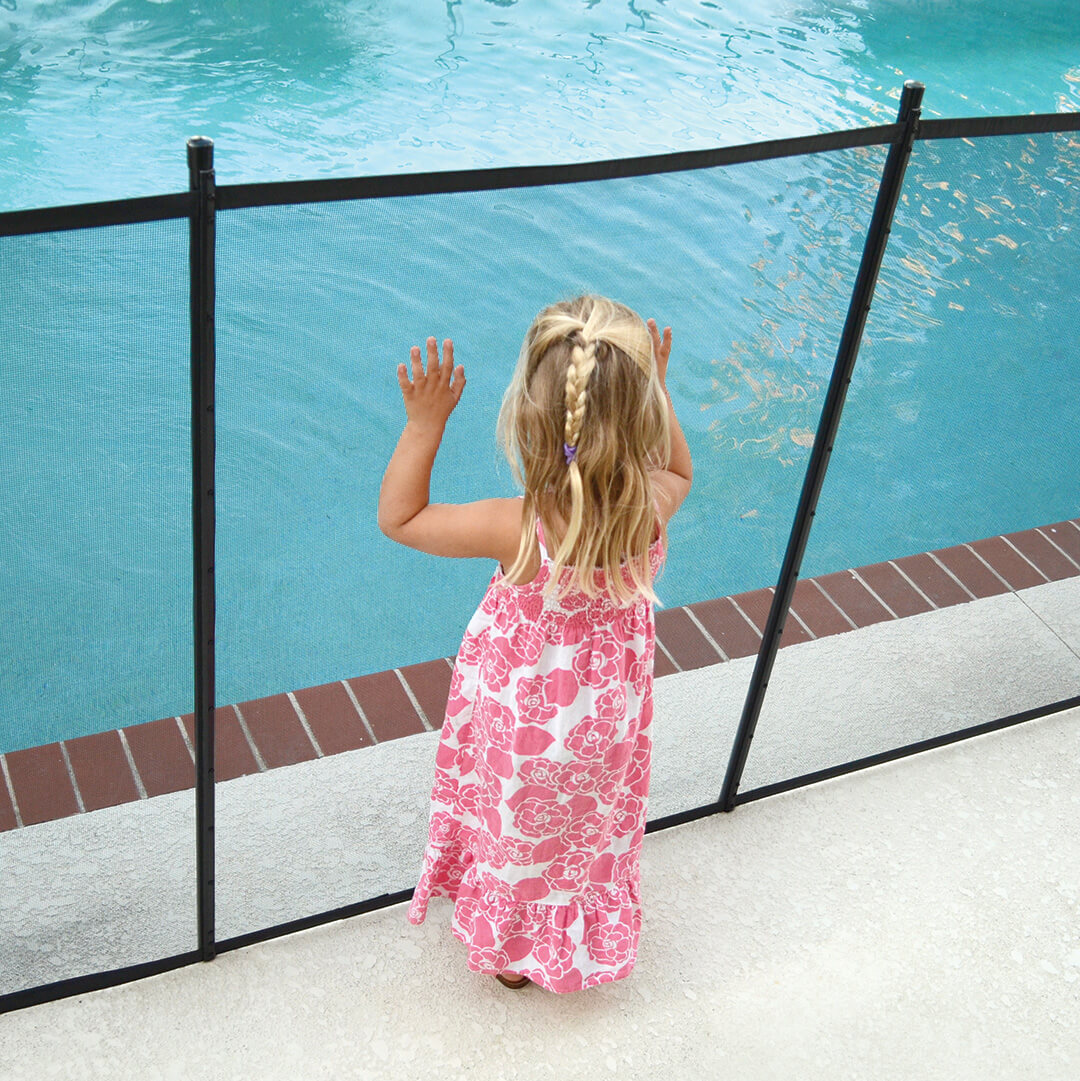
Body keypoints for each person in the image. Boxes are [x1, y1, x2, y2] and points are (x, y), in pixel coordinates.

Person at [377, 294, 692, 993]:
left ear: (531, 420)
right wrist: (661, 391)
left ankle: (514, 953)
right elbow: (679, 470)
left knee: (518, 828)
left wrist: (424, 425)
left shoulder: (519, 528)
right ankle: (565, 937)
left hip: (524, 730)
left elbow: (401, 516)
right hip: (604, 725)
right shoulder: (649, 508)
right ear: (639, 415)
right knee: (585, 826)